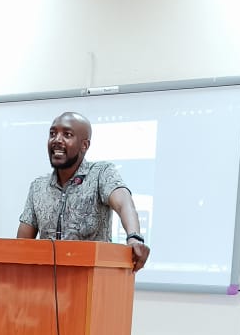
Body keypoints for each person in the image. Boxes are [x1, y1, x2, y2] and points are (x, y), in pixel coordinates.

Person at [16, 112, 150, 272]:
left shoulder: (101, 173)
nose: (57, 140)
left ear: (84, 145)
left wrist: (134, 237)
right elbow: (21, 245)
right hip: (46, 287)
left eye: (67, 134)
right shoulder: (38, 186)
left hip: (92, 284)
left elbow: (124, 203)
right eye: (52, 133)